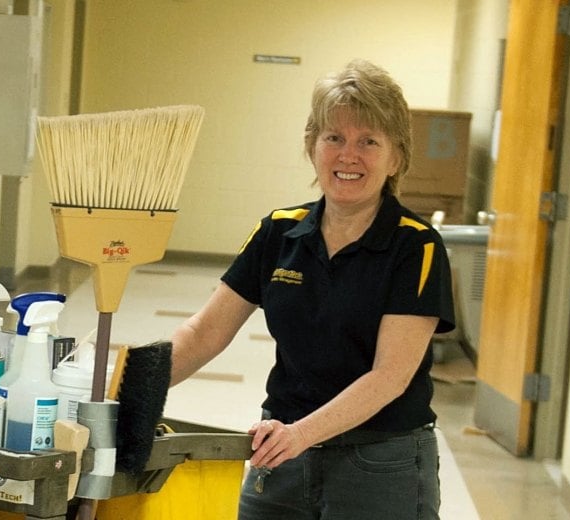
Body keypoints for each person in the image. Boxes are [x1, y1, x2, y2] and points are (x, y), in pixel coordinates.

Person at [169, 59, 454, 519]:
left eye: (369, 142)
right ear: (312, 145)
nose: (348, 155)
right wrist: (125, 393)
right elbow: (205, 333)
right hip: (281, 453)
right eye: (334, 137)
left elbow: (390, 377)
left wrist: (301, 434)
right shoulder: (278, 233)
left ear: (396, 157)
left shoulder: (415, 246)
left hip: (380, 461)